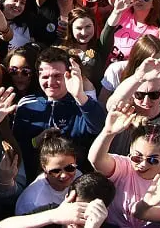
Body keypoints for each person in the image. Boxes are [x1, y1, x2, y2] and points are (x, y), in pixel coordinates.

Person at [13, 47, 107, 179]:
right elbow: (17, 146)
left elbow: (99, 127)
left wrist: (79, 95)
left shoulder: (82, 103)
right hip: (36, 181)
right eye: (45, 77)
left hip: (75, 180)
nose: (50, 83)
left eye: (57, 76)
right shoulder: (27, 104)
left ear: (68, 75)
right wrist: (37, 141)